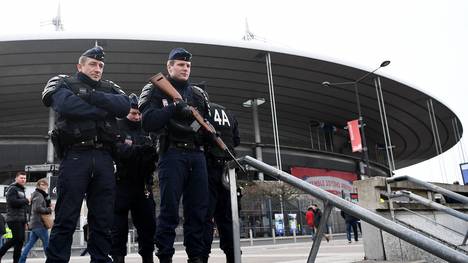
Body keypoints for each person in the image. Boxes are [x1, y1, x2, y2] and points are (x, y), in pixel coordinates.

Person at [41, 45, 130, 263]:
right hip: (76, 156)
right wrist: (102, 110)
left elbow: (124, 106)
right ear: (79, 65)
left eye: (101, 65)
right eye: (92, 64)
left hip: (104, 158)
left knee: (102, 218)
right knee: (66, 216)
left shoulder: (111, 87)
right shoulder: (64, 83)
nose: (97, 68)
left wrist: (90, 96)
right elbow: (65, 105)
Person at [139, 47, 210, 263]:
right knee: (169, 211)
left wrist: (196, 124)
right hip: (172, 153)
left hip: (196, 155)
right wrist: (174, 108)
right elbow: (148, 122)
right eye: (180, 64)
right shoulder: (155, 89)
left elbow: (206, 126)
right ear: (169, 66)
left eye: (188, 65)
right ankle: (165, 256)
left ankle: (196, 257)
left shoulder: (198, 94)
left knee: (198, 211)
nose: (185, 68)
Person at [110, 93, 157, 263]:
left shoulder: (148, 130)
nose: (136, 117)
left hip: (143, 186)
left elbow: (154, 155)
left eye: (139, 114)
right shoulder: (116, 127)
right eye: (133, 113)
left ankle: (148, 258)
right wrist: (140, 151)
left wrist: (135, 151)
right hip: (120, 185)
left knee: (148, 227)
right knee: (117, 229)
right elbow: (118, 151)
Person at [202, 102, 240, 263]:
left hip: (208, 168)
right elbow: (236, 140)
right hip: (228, 171)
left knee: (205, 217)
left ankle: (202, 256)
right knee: (227, 219)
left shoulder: (204, 110)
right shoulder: (229, 113)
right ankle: (233, 256)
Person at [19, 178, 53, 263]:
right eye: (42, 184)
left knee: (29, 244)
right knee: (47, 244)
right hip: (40, 223)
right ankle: (51, 261)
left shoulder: (40, 195)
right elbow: (37, 208)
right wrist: (49, 209)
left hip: (35, 224)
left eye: (45, 185)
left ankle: (21, 261)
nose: (44, 186)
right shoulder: (39, 195)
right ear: (38, 185)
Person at [0, 172, 30, 263]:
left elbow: (23, 209)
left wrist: (25, 222)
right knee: (17, 238)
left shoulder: (21, 190)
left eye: (24, 178)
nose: (23, 180)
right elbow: (13, 202)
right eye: (21, 178)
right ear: (16, 178)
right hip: (13, 218)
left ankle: (16, 261)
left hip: (20, 219)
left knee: (20, 242)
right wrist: (26, 200)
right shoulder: (12, 189)